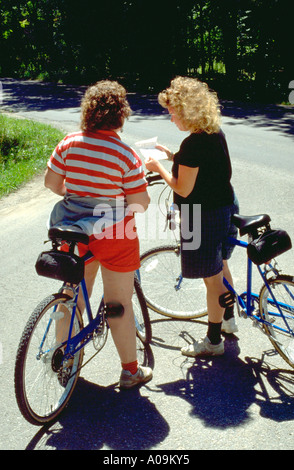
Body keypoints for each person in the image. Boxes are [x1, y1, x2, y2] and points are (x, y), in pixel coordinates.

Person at [44, 80, 152, 388]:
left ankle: (65, 359)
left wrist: (78, 197)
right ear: (121, 114)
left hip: (72, 230)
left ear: (88, 111)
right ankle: (131, 371)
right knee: (118, 305)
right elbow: (140, 204)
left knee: (72, 295)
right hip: (114, 234)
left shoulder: (68, 143)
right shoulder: (124, 154)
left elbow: (53, 185)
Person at [145, 76, 239, 357]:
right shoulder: (214, 133)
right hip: (226, 206)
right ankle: (228, 320)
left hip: (203, 215)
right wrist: (170, 155)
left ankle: (213, 342)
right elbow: (201, 166)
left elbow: (182, 189)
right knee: (221, 265)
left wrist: (157, 168)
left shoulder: (192, 145)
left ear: (187, 111)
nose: (171, 118)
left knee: (212, 280)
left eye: (173, 112)